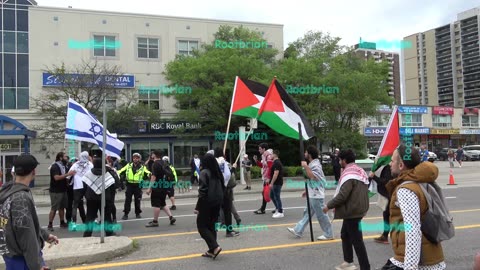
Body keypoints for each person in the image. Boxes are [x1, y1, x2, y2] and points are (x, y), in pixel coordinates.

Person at [381, 145, 446, 270]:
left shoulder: (406, 189)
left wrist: (411, 266)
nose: (390, 164)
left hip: (421, 263)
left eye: (392, 160)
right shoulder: (421, 181)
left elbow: (412, 229)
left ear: (401, 166)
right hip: (430, 257)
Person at [0, 154, 59, 270]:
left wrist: (45, 235)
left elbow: (27, 223)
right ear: (34, 172)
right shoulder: (21, 197)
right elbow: (26, 235)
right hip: (23, 259)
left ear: (14, 172)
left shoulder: (8, 191)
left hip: (10, 254)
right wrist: (36, 266)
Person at [323, 149, 370, 270]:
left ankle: (365, 267)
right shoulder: (359, 171)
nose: (339, 162)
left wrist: (328, 206)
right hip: (358, 209)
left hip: (352, 211)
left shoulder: (349, 174)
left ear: (344, 160)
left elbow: (342, 195)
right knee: (345, 234)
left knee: (357, 241)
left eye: (339, 160)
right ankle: (348, 261)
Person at [287, 145, 333, 240]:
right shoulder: (313, 164)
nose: (305, 154)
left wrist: (305, 166)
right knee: (307, 213)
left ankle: (329, 234)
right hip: (313, 193)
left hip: (317, 195)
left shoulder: (315, 165)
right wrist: (307, 191)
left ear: (310, 154)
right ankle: (298, 230)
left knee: (322, 215)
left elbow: (313, 176)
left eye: (306, 152)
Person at [194, 153, 224, 260]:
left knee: (201, 226)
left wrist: (198, 207)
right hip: (217, 201)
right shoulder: (217, 172)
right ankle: (211, 250)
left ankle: (215, 247)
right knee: (212, 225)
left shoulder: (204, 173)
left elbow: (202, 191)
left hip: (207, 202)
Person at [82, 157, 119, 237]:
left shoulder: (89, 173)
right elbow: (113, 186)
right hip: (105, 199)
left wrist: (85, 196)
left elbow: (84, 186)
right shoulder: (107, 173)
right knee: (106, 217)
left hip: (91, 199)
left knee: (90, 217)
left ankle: (87, 234)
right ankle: (109, 233)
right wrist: (111, 199)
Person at [209, 148, 239, 237]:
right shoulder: (223, 162)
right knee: (227, 210)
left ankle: (213, 229)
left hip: (215, 189)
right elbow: (227, 175)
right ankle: (229, 231)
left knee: (215, 211)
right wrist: (233, 168)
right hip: (224, 189)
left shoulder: (213, 163)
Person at [145, 150, 176, 227]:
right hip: (164, 186)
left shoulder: (155, 164)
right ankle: (171, 217)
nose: (151, 155)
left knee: (156, 204)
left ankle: (155, 221)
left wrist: (149, 188)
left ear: (154, 155)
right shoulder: (164, 162)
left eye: (152, 154)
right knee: (162, 203)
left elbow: (153, 177)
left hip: (157, 187)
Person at [118, 153, 151, 220]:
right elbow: (121, 171)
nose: (135, 159)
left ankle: (137, 213)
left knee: (137, 200)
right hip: (129, 185)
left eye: (137, 158)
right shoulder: (128, 165)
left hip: (138, 186)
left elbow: (147, 172)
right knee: (127, 200)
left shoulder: (142, 167)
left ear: (139, 159)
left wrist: (150, 174)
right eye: (134, 158)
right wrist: (114, 172)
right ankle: (126, 214)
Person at [48, 152, 75, 231]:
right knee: (54, 208)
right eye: (65, 157)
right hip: (55, 191)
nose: (67, 158)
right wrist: (68, 174)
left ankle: (62, 222)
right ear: (60, 158)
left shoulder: (64, 167)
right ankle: (50, 224)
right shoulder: (55, 166)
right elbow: (56, 178)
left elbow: (66, 177)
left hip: (63, 190)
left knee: (62, 207)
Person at [67, 151, 91, 229]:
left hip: (77, 187)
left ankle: (74, 223)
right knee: (89, 204)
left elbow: (68, 176)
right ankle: (89, 221)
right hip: (87, 186)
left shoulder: (75, 165)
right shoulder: (90, 164)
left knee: (75, 205)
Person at [369, 165, 393, 244]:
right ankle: (385, 235)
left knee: (388, 216)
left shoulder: (388, 168)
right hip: (388, 195)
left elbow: (385, 181)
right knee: (387, 215)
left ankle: (386, 236)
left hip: (389, 195)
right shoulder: (387, 167)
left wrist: (374, 177)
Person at [253, 143, 274, 214]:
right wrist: (256, 161)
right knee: (269, 193)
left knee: (267, 193)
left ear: (264, 149)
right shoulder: (264, 156)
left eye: (260, 149)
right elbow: (263, 166)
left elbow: (270, 167)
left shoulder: (268, 156)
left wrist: (268, 178)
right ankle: (277, 207)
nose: (258, 150)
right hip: (266, 177)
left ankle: (263, 209)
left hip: (268, 178)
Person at [270, 150, 284, 218]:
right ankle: (278, 208)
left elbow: (276, 174)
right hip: (276, 183)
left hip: (277, 183)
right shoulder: (275, 162)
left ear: (275, 155)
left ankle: (280, 212)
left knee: (277, 197)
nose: (270, 155)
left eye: (272, 154)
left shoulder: (277, 163)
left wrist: (271, 183)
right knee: (272, 196)